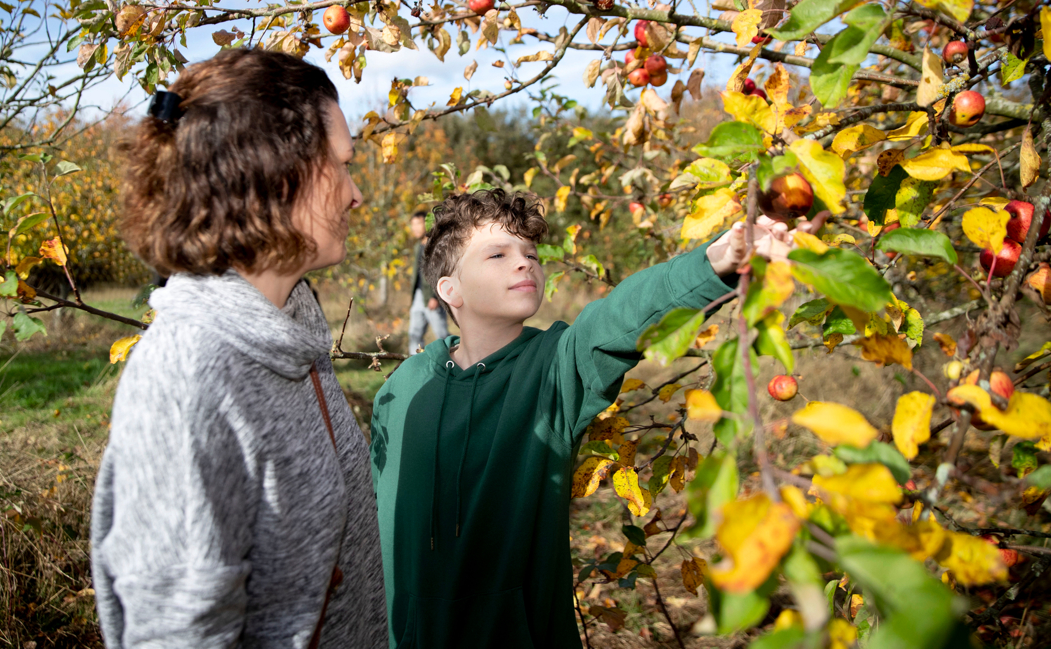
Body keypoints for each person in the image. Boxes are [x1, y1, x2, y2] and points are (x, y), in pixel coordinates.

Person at [369, 188, 810, 648]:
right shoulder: (401, 389)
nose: (524, 263)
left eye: (531, 253)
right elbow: (376, 515)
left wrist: (716, 259)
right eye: (497, 254)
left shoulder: (555, 368)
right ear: (449, 290)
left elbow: (621, 317)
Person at [91, 48, 388, 648]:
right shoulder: (189, 378)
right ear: (279, 174)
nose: (357, 195)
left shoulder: (292, 324)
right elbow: (179, 632)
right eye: (343, 165)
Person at [407, 210, 449, 355]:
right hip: (419, 296)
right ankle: (414, 364)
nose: (415, 228)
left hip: (432, 296)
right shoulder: (417, 246)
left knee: (442, 334)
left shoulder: (436, 246)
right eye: (413, 225)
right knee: (414, 334)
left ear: (427, 224)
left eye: (418, 224)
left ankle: (453, 362)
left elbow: (441, 271)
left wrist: (435, 296)